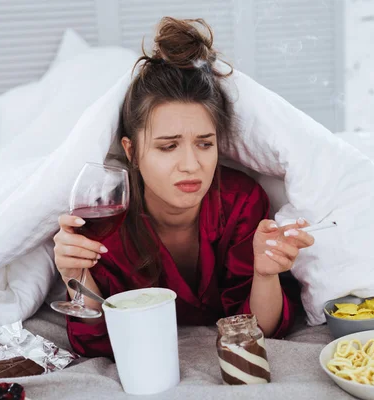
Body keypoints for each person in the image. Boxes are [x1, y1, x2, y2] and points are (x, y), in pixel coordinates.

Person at [53, 17, 314, 357]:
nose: (191, 165)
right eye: (168, 146)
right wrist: (76, 277)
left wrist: (265, 275)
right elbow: (98, 342)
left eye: (204, 144)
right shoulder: (104, 226)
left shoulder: (240, 201)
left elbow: (260, 328)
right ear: (131, 151)